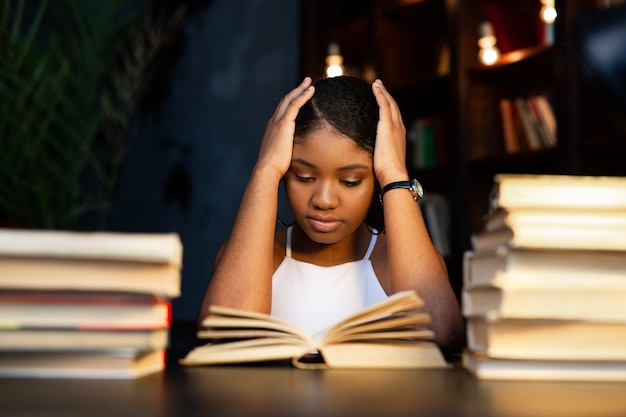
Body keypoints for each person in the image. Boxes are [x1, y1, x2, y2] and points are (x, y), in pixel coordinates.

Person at [200, 75, 464, 352]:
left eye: (350, 181)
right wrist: (265, 170)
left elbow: (442, 332)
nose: (323, 201)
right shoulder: (252, 256)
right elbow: (224, 337)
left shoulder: (397, 261)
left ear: (375, 176)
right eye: (302, 176)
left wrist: (395, 174)